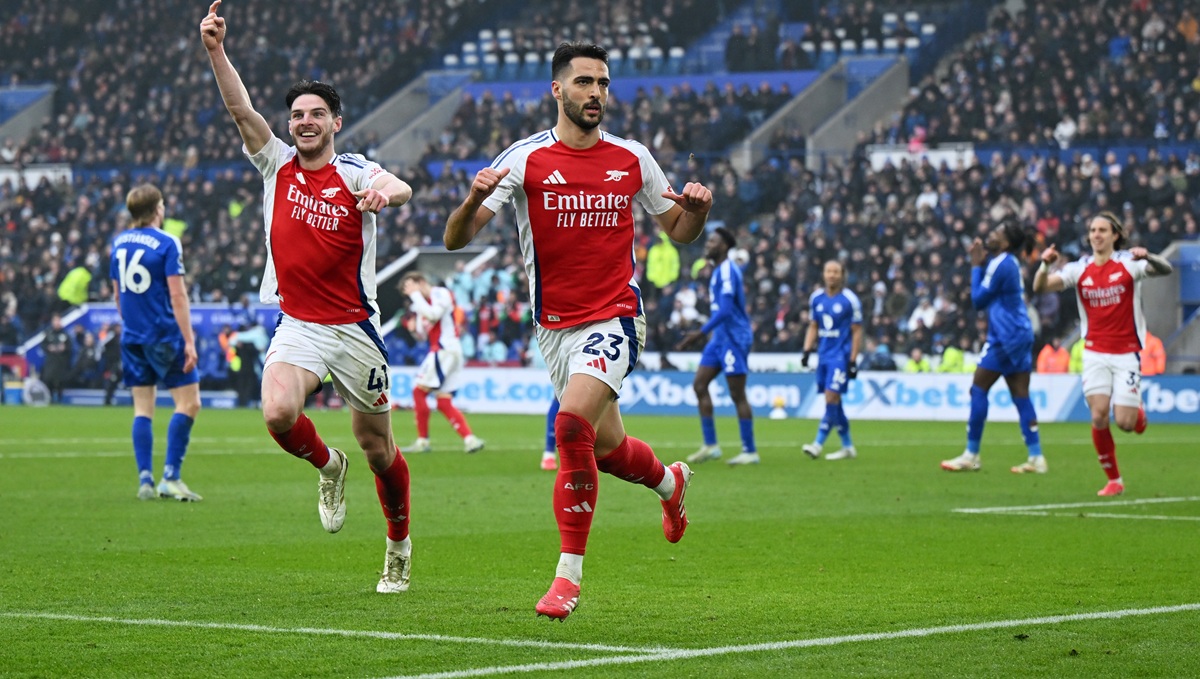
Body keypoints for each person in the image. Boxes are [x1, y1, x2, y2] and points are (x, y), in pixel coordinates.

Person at [444, 41, 711, 620]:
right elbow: (454, 240)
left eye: (604, 83)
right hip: (555, 330)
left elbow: (680, 233)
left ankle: (567, 577)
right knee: (609, 450)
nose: (597, 93)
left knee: (569, 427)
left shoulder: (633, 157)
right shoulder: (524, 159)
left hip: (615, 315)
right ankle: (670, 484)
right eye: (585, 82)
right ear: (557, 89)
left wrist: (698, 209)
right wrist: (472, 200)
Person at [202, 1, 416, 592]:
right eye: (296, 114)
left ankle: (397, 546)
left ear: (335, 123)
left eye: (315, 114)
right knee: (276, 413)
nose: (303, 121)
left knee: (380, 450)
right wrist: (217, 50)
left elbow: (397, 184)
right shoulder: (275, 164)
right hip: (298, 323)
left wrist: (385, 197)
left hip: (354, 330)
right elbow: (240, 109)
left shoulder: (352, 172)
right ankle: (328, 464)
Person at [1032, 212, 1173, 496]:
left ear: (1115, 235)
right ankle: (1114, 480)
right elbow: (1040, 287)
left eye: (1102, 230)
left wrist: (1149, 257)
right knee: (1098, 416)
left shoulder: (1128, 264)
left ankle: (1137, 414)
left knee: (1125, 423)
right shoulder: (1079, 268)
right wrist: (1044, 266)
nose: (1096, 235)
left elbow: (1166, 268)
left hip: (1126, 353)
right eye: (1093, 230)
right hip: (1095, 352)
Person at [110, 184, 203, 501]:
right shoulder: (167, 243)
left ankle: (145, 480)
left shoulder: (119, 242)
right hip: (163, 336)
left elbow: (117, 296)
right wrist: (189, 341)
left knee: (142, 408)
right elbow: (178, 295)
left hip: (132, 337)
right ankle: (171, 476)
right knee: (189, 403)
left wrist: (131, 323)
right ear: (156, 210)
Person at [941, 222, 1046, 475]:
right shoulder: (1008, 263)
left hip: (1006, 336)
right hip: (1019, 333)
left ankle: (971, 454)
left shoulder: (1000, 263)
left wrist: (975, 265)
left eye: (997, 232)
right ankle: (1036, 457)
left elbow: (978, 300)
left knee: (978, 388)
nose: (991, 234)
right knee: (1020, 395)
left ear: (1006, 242)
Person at [677, 227, 758, 466]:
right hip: (719, 339)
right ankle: (711, 445)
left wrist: (698, 333)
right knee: (699, 385)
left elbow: (725, 310)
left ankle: (749, 450)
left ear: (724, 246)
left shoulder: (727, 271)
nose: (708, 244)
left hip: (734, 338)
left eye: (712, 241)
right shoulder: (717, 272)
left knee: (737, 393)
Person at [398, 271, 485, 454]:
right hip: (446, 350)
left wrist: (415, 297)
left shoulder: (440, 293)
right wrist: (413, 328)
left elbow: (434, 314)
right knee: (443, 402)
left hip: (444, 349)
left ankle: (422, 441)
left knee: (418, 391)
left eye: (412, 288)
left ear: (421, 282)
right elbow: (422, 334)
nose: (412, 294)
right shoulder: (421, 304)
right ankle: (471, 440)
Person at [800, 261, 863, 461]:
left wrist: (852, 360)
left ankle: (818, 444)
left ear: (842, 275)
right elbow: (813, 325)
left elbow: (857, 331)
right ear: (824, 274)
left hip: (840, 357)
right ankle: (847, 446)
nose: (832, 275)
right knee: (835, 402)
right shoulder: (816, 298)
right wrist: (807, 350)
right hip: (824, 356)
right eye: (829, 271)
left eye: (836, 272)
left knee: (830, 398)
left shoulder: (849, 300)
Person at [40, 314, 72, 404]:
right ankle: (49, 399)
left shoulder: (65, 334)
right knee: (48, 380)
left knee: (60, 382)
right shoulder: (48, 333)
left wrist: (64, 348)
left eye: (58, 321)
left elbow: (70, 347)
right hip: (51, 362)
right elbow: (43, 345)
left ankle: (59, 399)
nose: (57, 323)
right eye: (55, 321)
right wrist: (49, 348)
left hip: (61, 363)